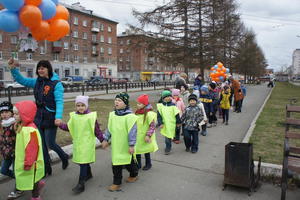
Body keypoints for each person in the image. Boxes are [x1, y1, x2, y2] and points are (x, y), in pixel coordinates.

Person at [8, 59, 69, 176]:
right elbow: (22, 80)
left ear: (48, 69)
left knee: (50, 143)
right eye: (39, 68)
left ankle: (64, 156)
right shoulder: (37, 81)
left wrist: (58, 117)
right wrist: (13, 69)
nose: (40, 70)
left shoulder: (56, 84)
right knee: (41, 144)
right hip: (38, 117)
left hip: (51, 117)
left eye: (43, 68)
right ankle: (47, 167)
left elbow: (59, 101)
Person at [58, 96, 104, 194]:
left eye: (82, 105)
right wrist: (60, 124)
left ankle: (81, 184)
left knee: (83, 162)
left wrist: (102, 140)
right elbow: (68, 127)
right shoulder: (74, 116)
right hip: (78, 143)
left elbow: (97, 130)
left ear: (86, 105)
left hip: (87, 144)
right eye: (78, 105)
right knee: (80, 162)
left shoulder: (91, 117)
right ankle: (88, 173)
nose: (80, 107)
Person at [101, 92, 139, 192]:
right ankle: (117, 182)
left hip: (126, 145)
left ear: (125, 103)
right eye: (116, 100)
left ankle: (134, 174)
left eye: (119, 100)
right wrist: (105, 139)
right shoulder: (113, 115)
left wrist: (131, 145)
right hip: (116, 145)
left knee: (128, 163)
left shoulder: (130, 116)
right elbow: (109, 128)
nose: (116, 102)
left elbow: (132, 132)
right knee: (116, 164)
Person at [13, 100, 45, 200]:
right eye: (14, 113)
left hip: (31, 162)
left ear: (25, 114)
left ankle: (36, 196)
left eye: (17, 114)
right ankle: (38, 182)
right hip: (25, 159)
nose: (14, 116)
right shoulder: (23, 126)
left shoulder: (29, 130)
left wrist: (28, 163)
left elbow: (32, 149)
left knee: (32, 179)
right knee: (32, 177)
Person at [0, 101, 24, 199]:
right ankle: (23, 181)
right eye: (2, 112)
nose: (4, 114)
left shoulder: (15, 124)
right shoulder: (1, 124)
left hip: (16, 153)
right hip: (6, 153)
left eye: (6, 112)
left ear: (11, 112)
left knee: (16, 172)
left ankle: (18, 189)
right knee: (4, 170)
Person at [135, 94, 158, 171]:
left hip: (146, 136)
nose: (137, 105)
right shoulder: (137, 112)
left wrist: (148, 135)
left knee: (146, 150)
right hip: (138, 136)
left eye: (139, 103)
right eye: (137, 103)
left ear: (144, 104)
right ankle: (138, 164)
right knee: (137, 150)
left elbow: (152, 126)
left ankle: (148, 164)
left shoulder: (149, 114)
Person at [157, 90, 181, 155]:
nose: (168, 98)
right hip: (165, 125)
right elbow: (159, 116)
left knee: (169, 137)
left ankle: (168, 147)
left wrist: (178, 122)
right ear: (163, 98)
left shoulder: (173, 106)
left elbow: (177, 115)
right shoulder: (160, 106)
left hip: (172, 124)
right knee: (167, 137)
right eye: (166, 97)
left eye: (169, 96)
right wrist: (160, 123)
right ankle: (168, 147)